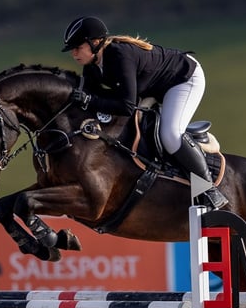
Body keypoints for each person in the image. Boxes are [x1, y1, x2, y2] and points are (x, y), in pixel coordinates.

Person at [61, 15, 228, 210]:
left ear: (95, 42)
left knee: (170, 135)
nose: (74, 53)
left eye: (77, 47)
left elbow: (126, 106)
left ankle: (209, 190)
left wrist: (90, 100)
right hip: (153, 87)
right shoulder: (92, 67)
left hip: (183, 80)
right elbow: (98, 98)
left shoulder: (119, 55)